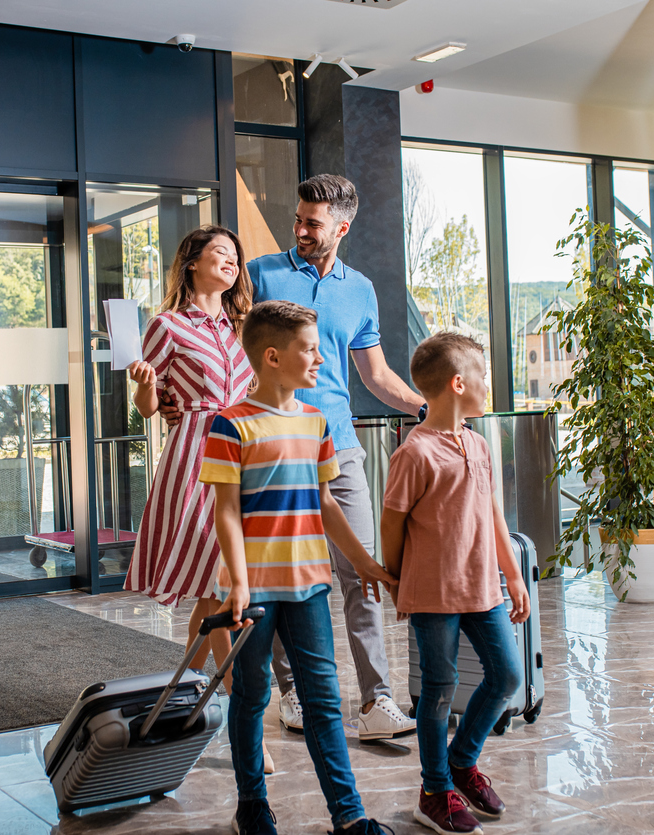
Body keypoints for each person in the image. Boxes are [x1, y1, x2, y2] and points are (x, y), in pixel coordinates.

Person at [201, 300, 397, 835]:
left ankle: (350, 816)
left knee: (323, 702)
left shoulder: (316, 422)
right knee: (251, 695)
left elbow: (326, 502)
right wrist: (238, 584)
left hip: (310, 586)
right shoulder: (230, 425)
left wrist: (364, 565)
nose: (319, 360)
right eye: (309, 350)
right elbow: (226, 510)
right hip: (255, 591)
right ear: (271, 357)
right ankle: (252, 806)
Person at [250, 174, 425, 740]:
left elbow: (374, 375)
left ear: (342, 228)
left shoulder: (360, 289)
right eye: (298, 219)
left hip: (340, 446)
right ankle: (293, 691)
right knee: (284, 573)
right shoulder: (262, 275)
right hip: (274, 442)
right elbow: (233, 351)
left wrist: (428, 406)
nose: (299, 230)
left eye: (313, 223)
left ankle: (377, 699)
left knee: (364, 571)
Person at [122, 225, 279, 772]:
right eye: (220, 254)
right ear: (191, 262)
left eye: (236, 256)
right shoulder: (166, 326)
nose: (232, 263)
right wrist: (144, 384)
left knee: (212, 599)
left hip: (247, 455)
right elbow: (147, 406)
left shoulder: (243, 326)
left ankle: (191, 708)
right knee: (221, 594)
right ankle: (245, 729)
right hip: (196, 459)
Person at [380, 332, 529, 835]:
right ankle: (434, 788)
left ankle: (461, 763)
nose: (488, 386)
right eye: (483, 377)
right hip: (433, 593)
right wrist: (399, 581)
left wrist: (512, 575)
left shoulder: (479, 444)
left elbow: (493, 515)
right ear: (459, 383)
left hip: (483, 587)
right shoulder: (414, 453)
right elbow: (392, 525)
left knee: (506, 675)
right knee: (439, 692)